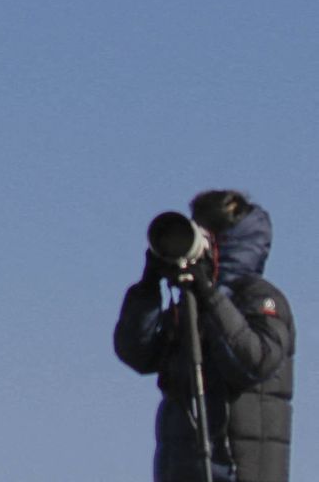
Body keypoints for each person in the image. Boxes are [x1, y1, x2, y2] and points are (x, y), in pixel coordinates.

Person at [114, 190, 296, 482]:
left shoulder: (260, 299)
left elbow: (254, 363)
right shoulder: (189, 304)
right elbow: (137, 352)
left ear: (225, 240)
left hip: (238, 472)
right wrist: (148, 287)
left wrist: (210, 296)